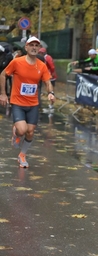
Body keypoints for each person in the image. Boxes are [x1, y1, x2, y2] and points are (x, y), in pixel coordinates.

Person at [0, 36, 56, 168]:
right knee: (22, 129)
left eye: (37, 45)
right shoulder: (17, 62)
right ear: (26, 47)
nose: (34, 47)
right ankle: (17, 132)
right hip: (18, 102)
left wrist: (51, 93)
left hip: (33, 104)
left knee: (30, 131)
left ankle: (22, 155)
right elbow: (3, 75)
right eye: (32, 45)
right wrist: (3, 94)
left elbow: (48, 81)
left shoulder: (41, 66)